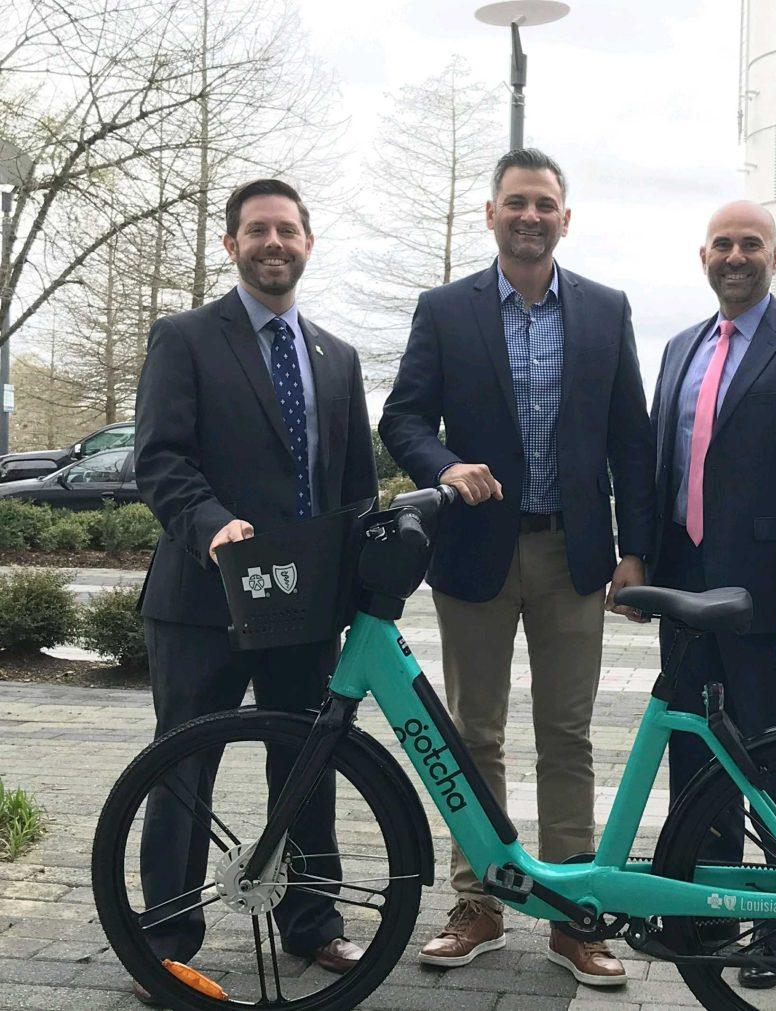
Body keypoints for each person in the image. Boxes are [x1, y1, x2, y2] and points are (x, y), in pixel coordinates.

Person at [379, 148, 655, 987]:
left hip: (574, 554)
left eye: (545, 204)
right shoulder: (446, 309)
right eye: (515, 203)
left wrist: (634, 549)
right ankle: (480, 901)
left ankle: (575, 915)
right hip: (476, 553)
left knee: (567, 734)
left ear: (564, 219)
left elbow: (630, 442)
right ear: (491, 214)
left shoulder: (607, 310)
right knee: (475, 734)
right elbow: (402, 417)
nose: (530, 216)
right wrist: (444, 465)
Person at [133, 179, 377, 1003]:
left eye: (288, 229)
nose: (274, 242)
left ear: (309, 242)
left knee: (308, 764)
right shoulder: (186, 338)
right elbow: (161, 458)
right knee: (183, 770)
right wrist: (210, 522)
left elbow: (353, 493)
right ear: (231, 244)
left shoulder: (337, 358)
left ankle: (313, 922)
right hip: (203, 598)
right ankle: (164, 940)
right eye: (257, 230)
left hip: (302, 609)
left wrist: (361, 581)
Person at [648, 200, 776, 989]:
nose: (735, 256)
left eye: (751, 244)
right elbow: (659, 466)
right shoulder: (677, 349)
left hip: (773, 597)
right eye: (722, 244)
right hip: (685, 587)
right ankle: (704, 914)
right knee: (695, 753)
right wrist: (639, 561)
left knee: (775, 755)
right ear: (702, 254)